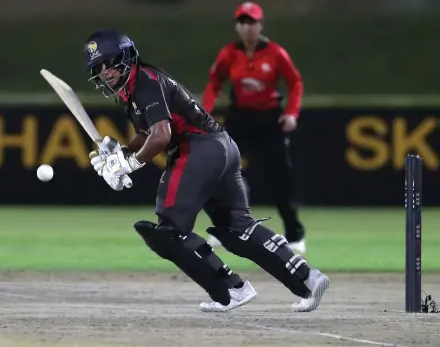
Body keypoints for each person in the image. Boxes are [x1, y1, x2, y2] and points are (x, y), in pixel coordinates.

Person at [84, 28, 329, 313]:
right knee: (238, 229)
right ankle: (308, 278)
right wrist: (120, 152)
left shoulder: (144, 83)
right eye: (98, 68)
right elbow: (147, 135)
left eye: (109, 62)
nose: (105, 72)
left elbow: (161, 137)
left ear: (126, 57)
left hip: (197, 149)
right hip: (221, 147)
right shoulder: (137, 87)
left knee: (169, 232)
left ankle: (231, 289)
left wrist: (128, 164)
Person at [202, 2, 306, 254]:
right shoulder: (229, 54)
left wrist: (291, 114)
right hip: (240, 117)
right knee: (223, 171)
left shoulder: (275, 53)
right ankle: (224, 227)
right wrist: (202, 115)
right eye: (243, 22)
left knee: (280, 179)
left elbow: (295, 83)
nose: (247, 27)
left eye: (252, 22)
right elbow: (214, 84)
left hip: (270, 120)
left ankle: (295, 234)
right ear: (237, 26)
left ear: (260, 25)